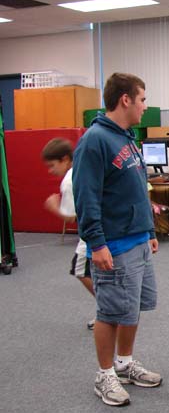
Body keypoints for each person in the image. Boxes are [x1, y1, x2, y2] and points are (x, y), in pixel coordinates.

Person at [73, 72, 161, 407]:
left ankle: (124, 363)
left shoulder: (126, 138)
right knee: (109, 312)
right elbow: (86, 197)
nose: (145, 106)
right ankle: (105, 374)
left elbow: (136, 187)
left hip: (138, 239)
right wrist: (97, 244)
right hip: (114, 243)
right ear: (125, 99)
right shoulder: (94, 140)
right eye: (142, 99)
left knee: (132, 307)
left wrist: (149, 231)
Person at [41, 138, 96, 330]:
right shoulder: (84, 168)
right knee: (100, 272)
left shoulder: (69, 181)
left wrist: (54, 208)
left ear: (65, 159)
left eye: (52, 165)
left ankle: (108, 310)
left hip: (92, 233)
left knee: (80, 270)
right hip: (108, 228)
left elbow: (72, 217)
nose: (50, 171)